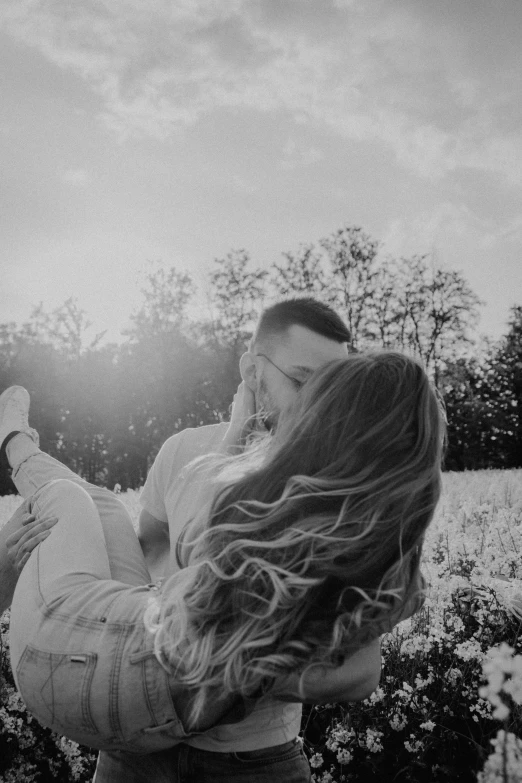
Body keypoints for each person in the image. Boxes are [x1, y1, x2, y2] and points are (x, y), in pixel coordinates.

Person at [0, 347, 443, 779]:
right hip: (137, 686)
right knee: (107, 508)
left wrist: (238, 430)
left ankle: (14, 441)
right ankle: (17, 438)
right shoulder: (383, 562)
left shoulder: (275, 514)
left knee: (68, 497)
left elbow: (192, 545)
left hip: (73, 657)